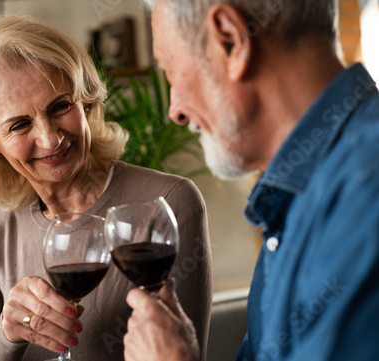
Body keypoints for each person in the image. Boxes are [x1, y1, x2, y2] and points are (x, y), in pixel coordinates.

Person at [0, 15, 213, 361]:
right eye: (19, 125)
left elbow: (187, 355)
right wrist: (7, 333)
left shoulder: (168, 203)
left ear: (85, 100)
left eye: (61, 106)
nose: (50, 138)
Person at [124, 0, 379, 360]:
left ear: (230, 41)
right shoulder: (293, 199)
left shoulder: (364, 191)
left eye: (169, 70)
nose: (175, 110)